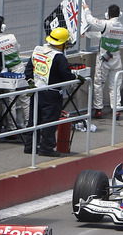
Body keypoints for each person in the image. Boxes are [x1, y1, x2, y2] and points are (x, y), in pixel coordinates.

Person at [23, 27, 82, 157]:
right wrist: (76, 77)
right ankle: (46, 148)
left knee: (34, 120)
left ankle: (30, 146)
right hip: (52, 94)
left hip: (36, 90)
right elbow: (66, 74)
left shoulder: (37, 50)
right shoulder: (59, 57)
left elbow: (28, 70)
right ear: (62, 43)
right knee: (49, 122)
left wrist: (31, 81)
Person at [0, 16, 31, 130]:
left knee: (11, 102)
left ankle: (12, 128)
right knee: (25, 99)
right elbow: (18, 50)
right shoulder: (11, 37)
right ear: (3, 27)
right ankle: (29, 125)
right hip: (19, 69)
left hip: (5, 73)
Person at [82, 3, 123, 119]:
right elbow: (102, 34)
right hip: (116, 60)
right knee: (115, 85)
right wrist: (87, 34)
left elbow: (90, 20)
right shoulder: (121, 28)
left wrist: (86, 9)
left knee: (98, 84)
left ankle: (98, 109)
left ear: (108, 14)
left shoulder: (106, 24)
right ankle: (116, 109)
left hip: (104, 60)